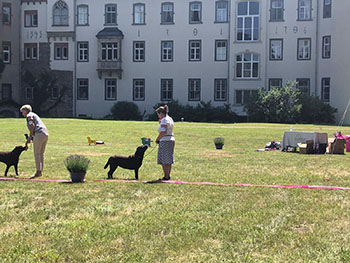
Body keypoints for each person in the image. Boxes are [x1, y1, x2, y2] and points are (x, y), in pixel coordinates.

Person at [20, 105, 49, 179]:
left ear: (25, 111)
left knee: (37, 153)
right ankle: (40, 170)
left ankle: (38, 172)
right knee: (41, 153)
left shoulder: (29, 116)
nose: (22, 114)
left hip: (38, 133)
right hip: (45, 133)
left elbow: (32, 125)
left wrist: (30, 137)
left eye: (22, 112)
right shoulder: (34, 114)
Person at [155, 105, 175, 180]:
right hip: (171, 139)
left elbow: (163, 131)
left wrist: (157, 139)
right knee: (168, 159)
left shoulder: (164, 120)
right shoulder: (169, 119)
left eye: (158, 114)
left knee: (164, 160)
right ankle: (167, 175)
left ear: (161, 113)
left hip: (165, 140)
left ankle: (166, 176)